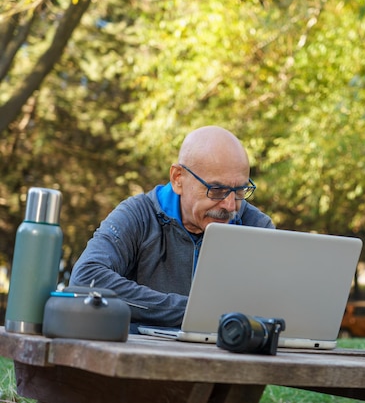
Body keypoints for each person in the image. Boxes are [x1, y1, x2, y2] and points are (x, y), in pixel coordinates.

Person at [69, 126, 274, 328]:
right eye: (217, 190)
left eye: (240, 190)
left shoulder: (256, 226)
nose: (230, 206)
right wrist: (190, 311)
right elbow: (86, 278)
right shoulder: (138, 215)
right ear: (178, 178)